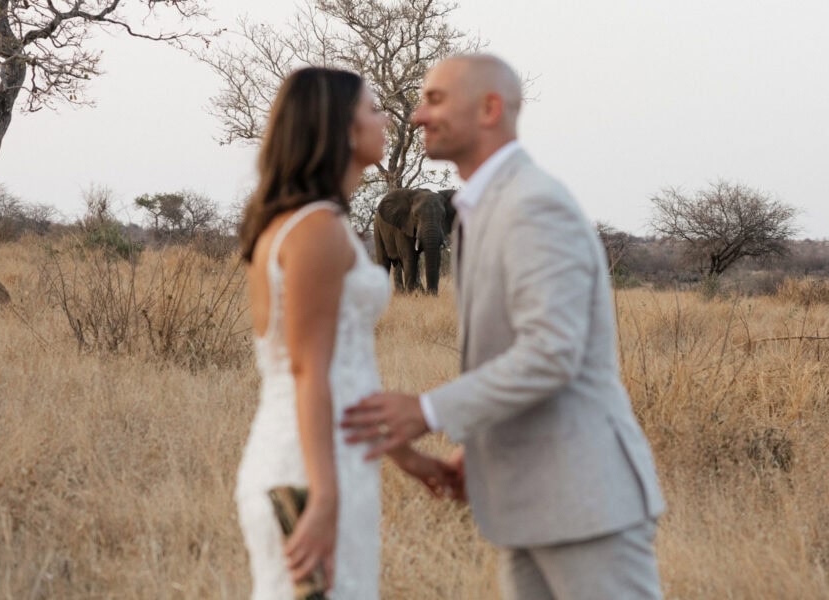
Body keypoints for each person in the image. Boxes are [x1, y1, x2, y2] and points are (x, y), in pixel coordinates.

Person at [342, 54, 666, 599]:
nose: (417, 115)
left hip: (584, 501)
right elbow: (508, 354)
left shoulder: (534, 204)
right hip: (527, 501)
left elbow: (551, 353)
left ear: (490, 108)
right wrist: (478, 448)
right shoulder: (480, 208)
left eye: (435, 100)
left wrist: (427, 411)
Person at [235, 66, 454, 599]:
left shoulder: (314, 221)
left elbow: (344, 367)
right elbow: (309, 370)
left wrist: (407, 456)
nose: (387, 119)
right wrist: (325, 496)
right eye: (373, 109)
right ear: (342, 129)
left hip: (326, 454)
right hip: (310, 467)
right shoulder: (316, 229)